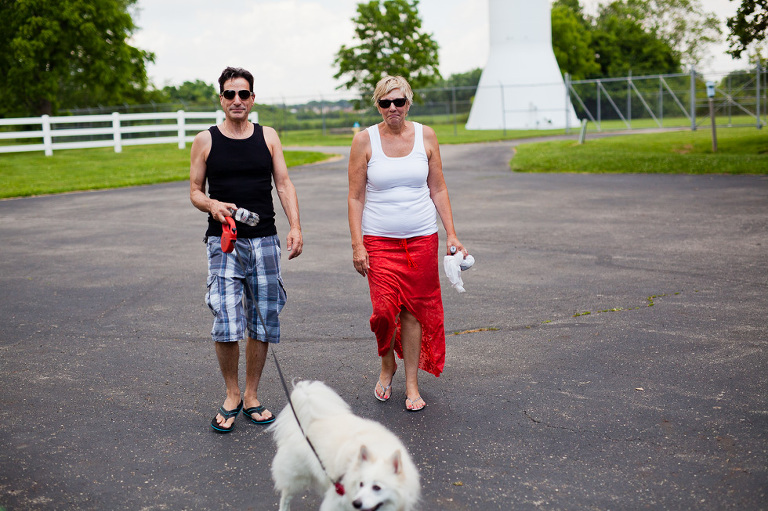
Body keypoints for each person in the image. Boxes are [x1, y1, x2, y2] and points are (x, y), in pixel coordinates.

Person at [190, 67, 303, 433]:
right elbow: (194, 191)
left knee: (263, 318)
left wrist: (295, 226)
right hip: (224, 242)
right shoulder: (205, 140)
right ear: (221, 99)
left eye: (243, 94)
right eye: (229, 94)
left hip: (265, 240)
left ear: (252, 99)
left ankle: (252, 396)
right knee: (225, 318)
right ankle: (232, 394)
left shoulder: (268, 136)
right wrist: (212, 205)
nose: (236, 100)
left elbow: (283, 183)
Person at [347, 75, 467, 412]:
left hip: (421, 240)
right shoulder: (364, 140)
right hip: (379, 241)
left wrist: (451, 233)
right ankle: (388, 364)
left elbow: (438, 188)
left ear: (408, 103)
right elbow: (355, 197)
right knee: (384, 312)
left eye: (399, 101)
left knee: (413, 313)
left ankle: (412, 384)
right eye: (385, 103)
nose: (393, 108)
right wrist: (357, 244)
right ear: (378, 105)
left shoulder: (426, 136)